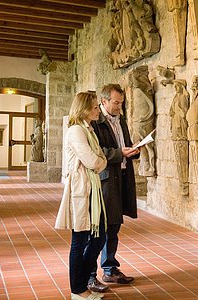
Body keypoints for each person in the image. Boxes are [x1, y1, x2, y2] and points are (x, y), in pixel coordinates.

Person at [55, 92, 107, 300]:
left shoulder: (89, 130)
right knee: (80, 240)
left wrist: (99, 161)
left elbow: (99, 158)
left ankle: (82, 282)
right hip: (81, 190)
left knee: (98, 237)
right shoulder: (76, 130)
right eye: (94, 107)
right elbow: (94, 161)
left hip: (93, 191)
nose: (97, 110)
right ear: (84, 109)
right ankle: (78, 289)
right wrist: (99, 161)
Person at [88, 84, 140, 292]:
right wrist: (120, 153)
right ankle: (90, 275)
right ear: (104, 101)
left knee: (114, 225)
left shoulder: (121, 119)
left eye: (121, 102)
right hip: (106, 178)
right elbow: (97, 151)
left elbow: (123, 144)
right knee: (99, 227)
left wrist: (133, 150)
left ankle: (109, 269)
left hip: (122, 176)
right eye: (116, 102)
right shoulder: (96, 122)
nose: (120, 106)